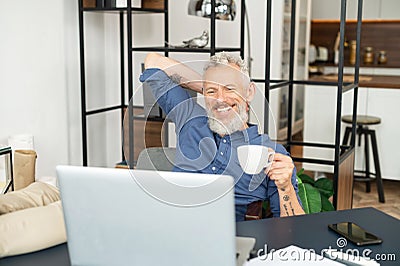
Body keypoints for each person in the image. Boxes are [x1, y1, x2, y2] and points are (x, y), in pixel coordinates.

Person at [140, 52, 305, 221]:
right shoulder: (189, 117)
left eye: (230, 89)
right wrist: (206, 88)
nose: (220, 99)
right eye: (212, 91)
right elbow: (153, 61)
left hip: (228, 240)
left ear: (249, 92)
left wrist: (286, 188)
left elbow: (293, 228)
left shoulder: (271, 152)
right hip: (170, 226)